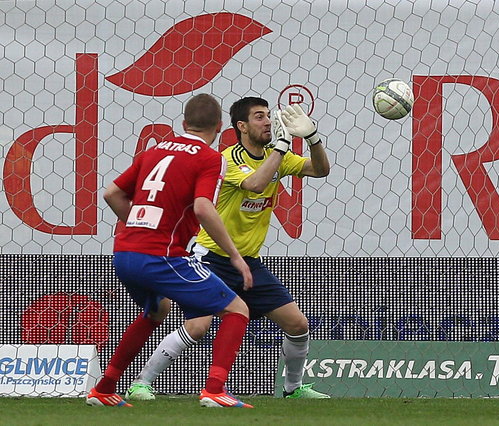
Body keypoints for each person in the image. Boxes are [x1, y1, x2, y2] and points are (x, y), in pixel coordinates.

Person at [125, 97, 331, 401]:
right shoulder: (227, 159)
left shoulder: (278, 157)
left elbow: (321, 170)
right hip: (212, 258)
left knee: (298, 324)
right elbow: (256, 185)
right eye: (259, 117)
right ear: (241, 127)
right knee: (198, 325)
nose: (269, 123)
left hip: (249, 262)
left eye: (268, 117)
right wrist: (282, 147)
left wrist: (312, 138)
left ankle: (292, 389)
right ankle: (141, 382)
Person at [86, 93, 254, 409]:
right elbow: (204, 207)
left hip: (124, 255)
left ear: (183, 123)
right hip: (160, 257)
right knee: (237, 310)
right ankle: (215, 390)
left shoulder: (154, 151)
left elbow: (112, 194)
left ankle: (104, 388)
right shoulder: (210, 158)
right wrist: (233, 255)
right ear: (220, 127)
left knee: (156, 311)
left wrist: (139, 225)